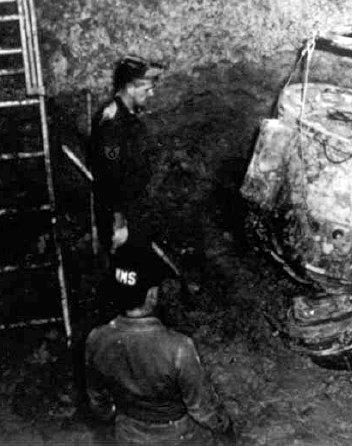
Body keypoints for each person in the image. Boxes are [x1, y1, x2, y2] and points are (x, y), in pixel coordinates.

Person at [84, 241, 236, 445]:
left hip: (128, 434)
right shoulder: (179, 347)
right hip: (177, 437)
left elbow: (99, 403)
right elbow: (203, 409)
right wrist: (226, 427)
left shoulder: (96, 339)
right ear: (151, 295)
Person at [88, 55, 164, 255]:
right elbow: (109, 173)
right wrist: (119, 222)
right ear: (130, 88)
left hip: (135, 209)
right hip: (122, 218)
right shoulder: (112, 123)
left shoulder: (128, 117)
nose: (152, 93)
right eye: (147, 89)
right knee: (126, 276)